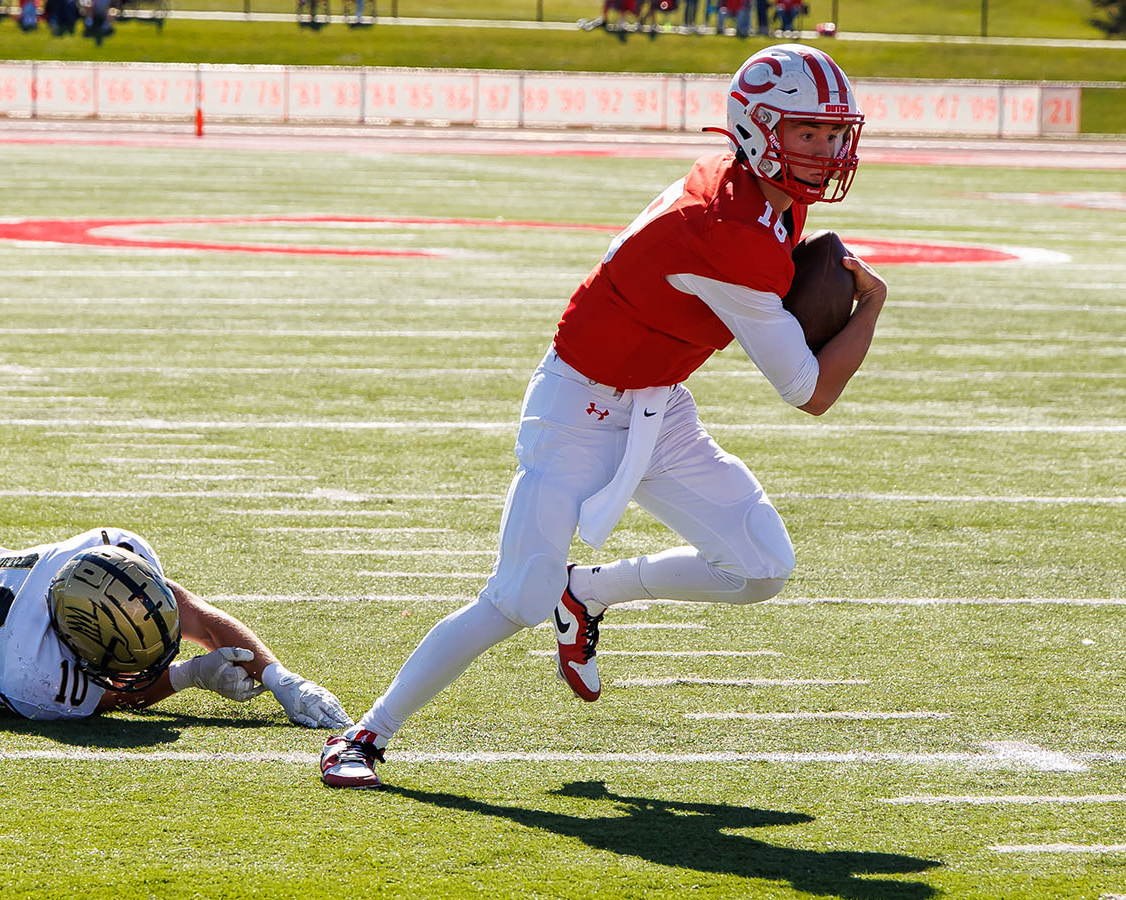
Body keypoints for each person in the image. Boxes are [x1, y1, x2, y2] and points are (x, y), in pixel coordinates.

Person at [321, 44, 884, 790]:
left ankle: (588, 591)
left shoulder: (763, 196)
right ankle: (364, 734)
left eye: (831, 132)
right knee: (515, 597)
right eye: (805, 133)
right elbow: (807, 390)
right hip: (575, 411)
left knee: (761, 568)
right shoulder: (727, 230)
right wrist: (872, 305)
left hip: (659, 405)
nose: (824, 152)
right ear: (756, 129)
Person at [0, 433, 354, 730]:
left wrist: (281, 678)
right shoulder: (35, 675)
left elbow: (191, 614)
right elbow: (115, 695)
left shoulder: (93, 564)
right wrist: (187, 675)